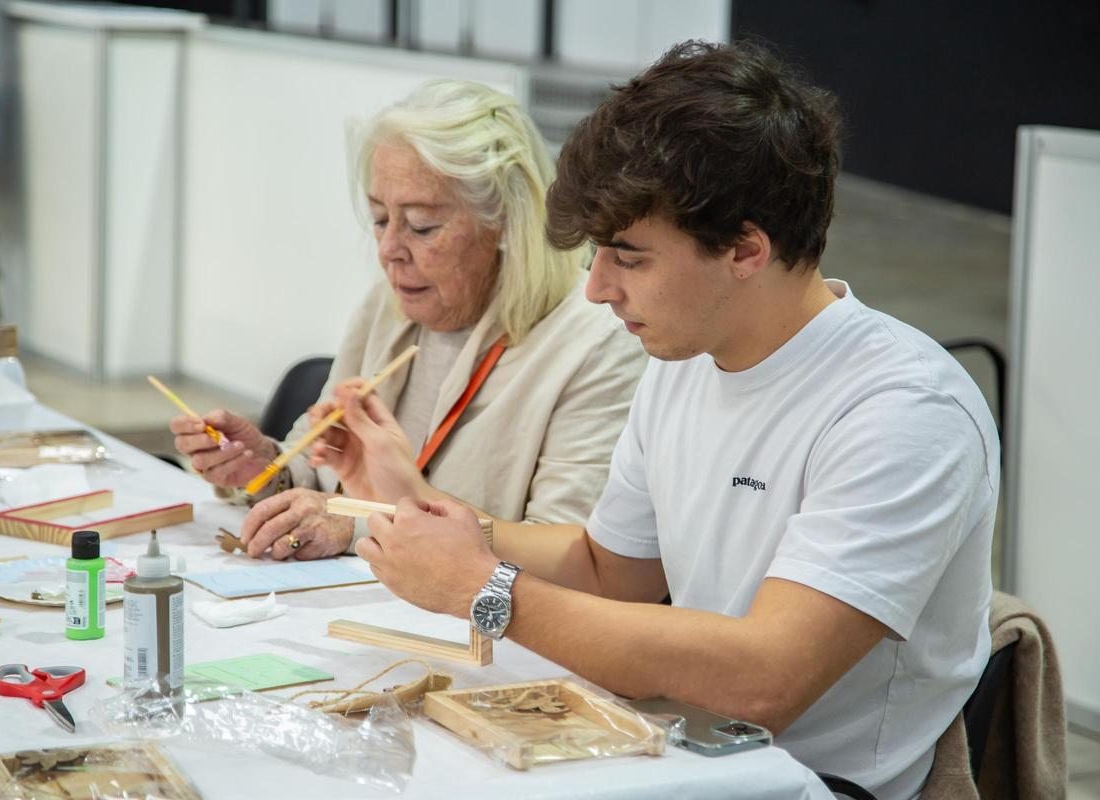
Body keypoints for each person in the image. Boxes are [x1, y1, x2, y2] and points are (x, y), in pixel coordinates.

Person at [313, 42, 999, 799]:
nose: (598, 289)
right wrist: (429, 522)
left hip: (806, 781)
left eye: (628, 258)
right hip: (673, 745)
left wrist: (485, 586)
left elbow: (766, 678)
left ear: (745, 249)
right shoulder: (687, 357)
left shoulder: (902, 410)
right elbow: (612, 571)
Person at [171, 80, 646, 562]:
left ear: (504, 220)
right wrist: (264, 468)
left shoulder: (595, 343)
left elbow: (568, 557)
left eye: (421, 226)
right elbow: (317, 479)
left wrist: (361, 525)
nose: (389, 250)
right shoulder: (389, 304)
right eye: (380, 219)